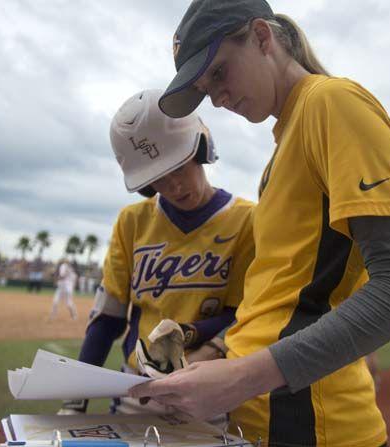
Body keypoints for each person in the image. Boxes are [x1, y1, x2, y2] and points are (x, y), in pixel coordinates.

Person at [129, 1, 390, 445]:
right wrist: (217, 358)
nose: (217, 98)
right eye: (204, 89)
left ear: (261, 37)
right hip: (259, 418)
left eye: (219, 73)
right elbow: (281, 297)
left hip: (309, 422)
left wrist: (240, 377)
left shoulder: (332, 102)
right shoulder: (283, 147)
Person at [61, 89, 255, 416]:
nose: (174, 187)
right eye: (158, 179)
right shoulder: (132, 222)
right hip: (139, 393)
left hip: (212, 392)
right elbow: (107, 318)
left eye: (178, 168)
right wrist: (75, 401)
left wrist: (198, 343)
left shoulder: (246, 220)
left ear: (200, 148)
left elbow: (243, 315)